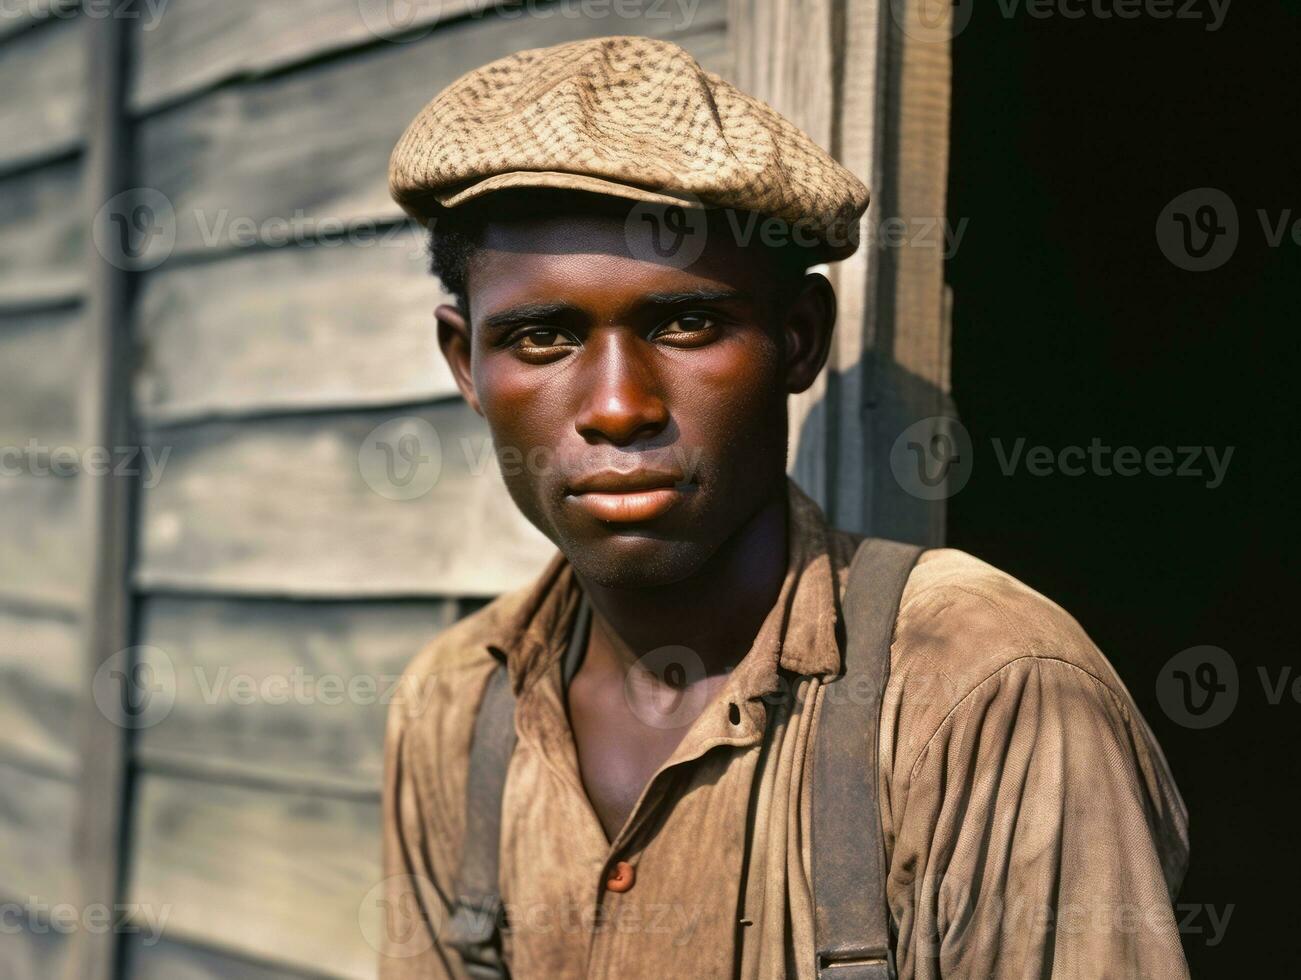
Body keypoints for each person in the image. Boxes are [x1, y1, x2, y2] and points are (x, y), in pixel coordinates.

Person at [379, 35, 1189, 979]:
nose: (616, 407)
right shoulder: (452, 710)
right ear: (463, 363)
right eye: (542, 337)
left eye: (685, 323)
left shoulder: (983, 690)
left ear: (797, 339)